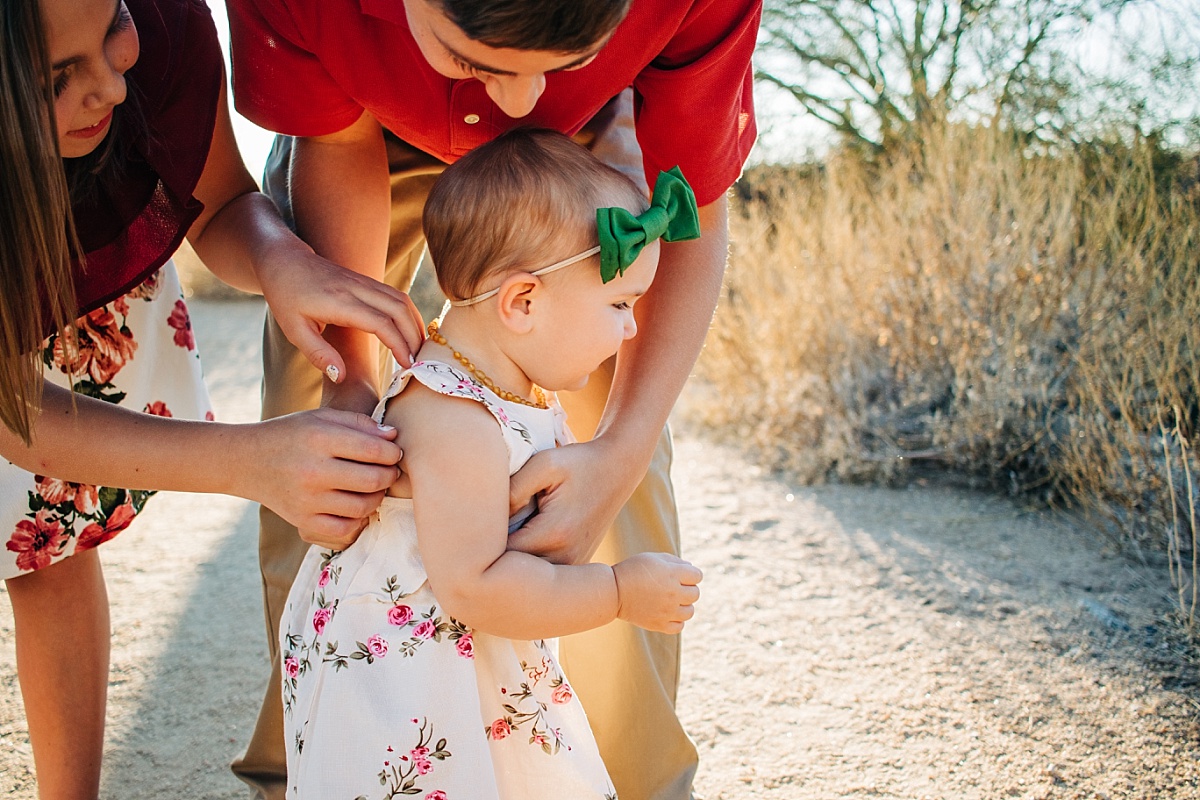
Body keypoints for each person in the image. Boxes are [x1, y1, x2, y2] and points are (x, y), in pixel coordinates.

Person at [226, 1, 760, 797]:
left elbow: (695, 194)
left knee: (617, 468)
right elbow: (335, 142)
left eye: (562, 59)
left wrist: (619, 451)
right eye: (479, 59)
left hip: (581, 152)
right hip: (365, 131)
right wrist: (354, 385)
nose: (517, 104)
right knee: (321, 442)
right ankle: (323, 762)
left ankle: (617, 777)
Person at [0, 0, 426, 797]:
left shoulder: (162, 35)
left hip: (83, 301)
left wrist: (280, 260)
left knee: (49, 548)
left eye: (112, 29)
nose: (111, 89)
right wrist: (249, 462)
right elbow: (10, 412)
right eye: (60, 77)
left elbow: (223, 202)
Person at [280, 129, 703, 799]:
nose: (630, 329)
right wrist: (619, 591)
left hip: (466, 665)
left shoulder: (500, 386)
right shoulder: (456, 420)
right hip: (408, 690)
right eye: (619, 304)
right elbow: (476, 587)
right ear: (522, 303)